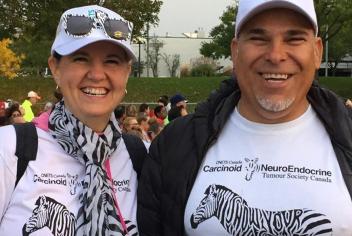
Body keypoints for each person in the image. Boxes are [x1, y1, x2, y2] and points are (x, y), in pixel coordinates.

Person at [137, 0, 352, 235]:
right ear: (235, 51)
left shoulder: (347, 137)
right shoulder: (174, 144)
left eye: (294, 38)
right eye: (258, 38)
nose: (276, 55)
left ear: (317, 51)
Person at [0, 5, 146, 235]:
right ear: (55, 68)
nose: (97, 75)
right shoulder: (9, 149)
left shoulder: (142, 157)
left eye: (112, 61)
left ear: (127, 72)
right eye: (81, 58)